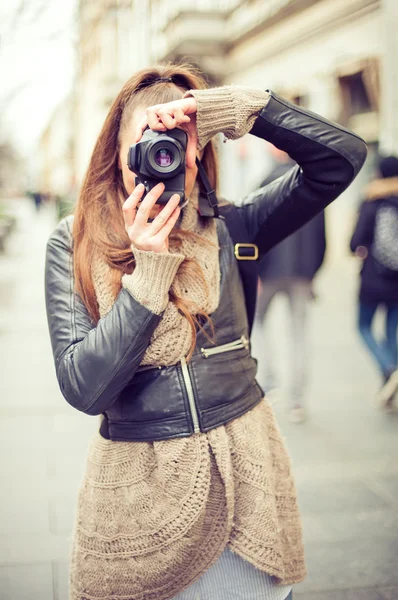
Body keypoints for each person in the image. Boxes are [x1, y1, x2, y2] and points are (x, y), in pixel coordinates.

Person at [45, 64, 367, 600]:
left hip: (248, 481)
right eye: (149, 145)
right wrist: (147, 272)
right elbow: (84, 387)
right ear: (118, 154)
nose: (164, 159)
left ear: (199, 151)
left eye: (178, 144)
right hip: (138, 495)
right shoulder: (75, 243)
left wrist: (244, 109)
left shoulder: (233, 225)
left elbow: (340, 161)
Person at [253, 147, 326, 423]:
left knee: (256, 321)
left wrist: (255, 270)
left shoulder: (267, 180)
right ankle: (297, 400)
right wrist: (312, 272)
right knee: (299, 333)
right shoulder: (312, 186)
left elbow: (256, 229)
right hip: (302, 273)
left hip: (270, 270)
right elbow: (321, 236)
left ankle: (270, 381)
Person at [350, 155, 398, 409]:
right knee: (392, 330)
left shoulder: (372, 200)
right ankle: (390, 384)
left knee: (364, 326)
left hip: (373, 279)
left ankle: (389, 369)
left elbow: (354, 243)